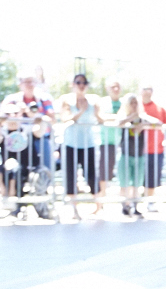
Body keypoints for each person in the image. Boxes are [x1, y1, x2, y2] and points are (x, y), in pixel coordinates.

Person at [57, 73, 102, 220]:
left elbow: (100, 118)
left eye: (84, 82)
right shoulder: (66, 100)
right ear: (73, 84)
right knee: (71, 175)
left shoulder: (93, 100)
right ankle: (74, 209)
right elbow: (64, 118)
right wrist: (81, 111)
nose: (81, 85)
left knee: (91, 175)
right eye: (78, 82)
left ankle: (98, 206)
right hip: (71, 143)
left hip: (88, 143)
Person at [115, 93, 160, 217]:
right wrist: (131, 118)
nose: (134, 105)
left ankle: (135, 205)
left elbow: (159, 123)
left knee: (136, 183)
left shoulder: (142, 117)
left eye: (136, 103)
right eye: (131, 103)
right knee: (124, 183)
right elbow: (118, 123)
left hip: (139, 155)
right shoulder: (124, 117)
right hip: (126, 154)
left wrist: (143, 125)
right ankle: (125, 205)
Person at [2, 72, 54, 174]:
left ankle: (43, 187)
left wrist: (33, 115)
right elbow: (2, 115)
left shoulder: (44, 99)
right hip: (16, 137)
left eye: (32, 82)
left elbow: (52, 119)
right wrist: (16, 112)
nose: (30, 85)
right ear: (20, 84)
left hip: (39, 137)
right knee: (13, 167)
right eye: (27, 82)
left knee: (43, 166)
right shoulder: (11, 99)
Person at [140, 86, 166, 212]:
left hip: (156, 150)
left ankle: (149, 202)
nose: (148, 91)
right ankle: (136, 202)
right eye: (145, 89)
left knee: (152, 178)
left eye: (150, 89)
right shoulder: (136, 107)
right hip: (139, 150)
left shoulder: (160, 108)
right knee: (138, 177)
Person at [96, 79, 124, 213]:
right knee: (103, 174)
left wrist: (115, 118)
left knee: (122, 174)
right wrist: (118, 119)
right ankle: (100, 203)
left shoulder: (124, 103)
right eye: (113, 86)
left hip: (122, 142)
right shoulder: (103, 102)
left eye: (117, 86)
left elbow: (126, 116)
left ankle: (125, 203)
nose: (116, 89)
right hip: (105, 142)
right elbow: (101, 117)